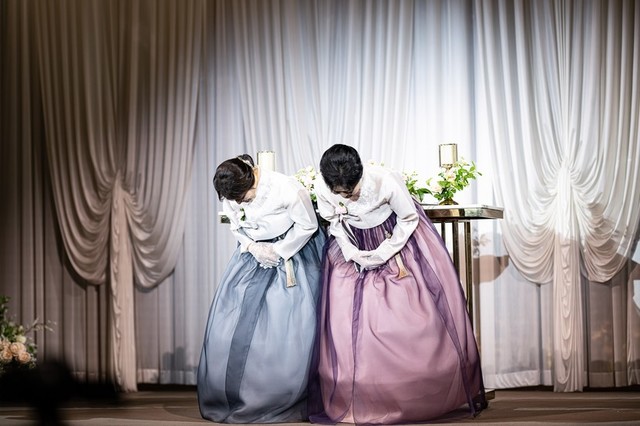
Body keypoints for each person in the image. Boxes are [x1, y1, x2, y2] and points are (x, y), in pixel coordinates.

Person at [309, 144, 486, 424]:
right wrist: (351, 251)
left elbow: (409, 217)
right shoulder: (323, 186)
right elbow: (334, 222)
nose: (347, 197)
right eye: (340, 193)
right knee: (346, 322)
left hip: (394, 241)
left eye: (351, 191)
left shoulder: (385, 180)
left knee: (403, 319)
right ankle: (361, 394)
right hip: (352, 244)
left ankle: (411, 393)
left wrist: (383, 252)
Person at [197, 154, 325, 423]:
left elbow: (308, 225)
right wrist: (252, 247)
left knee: (284, 328)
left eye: (243, 197)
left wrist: (279, 250)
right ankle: (239, 393)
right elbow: (235, 226)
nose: (240, 203)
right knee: (231, 326)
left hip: (290, 255)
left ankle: (279, 395)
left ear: (251, 179)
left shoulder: (286, 188)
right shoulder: (233, 194)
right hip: (252, 257)